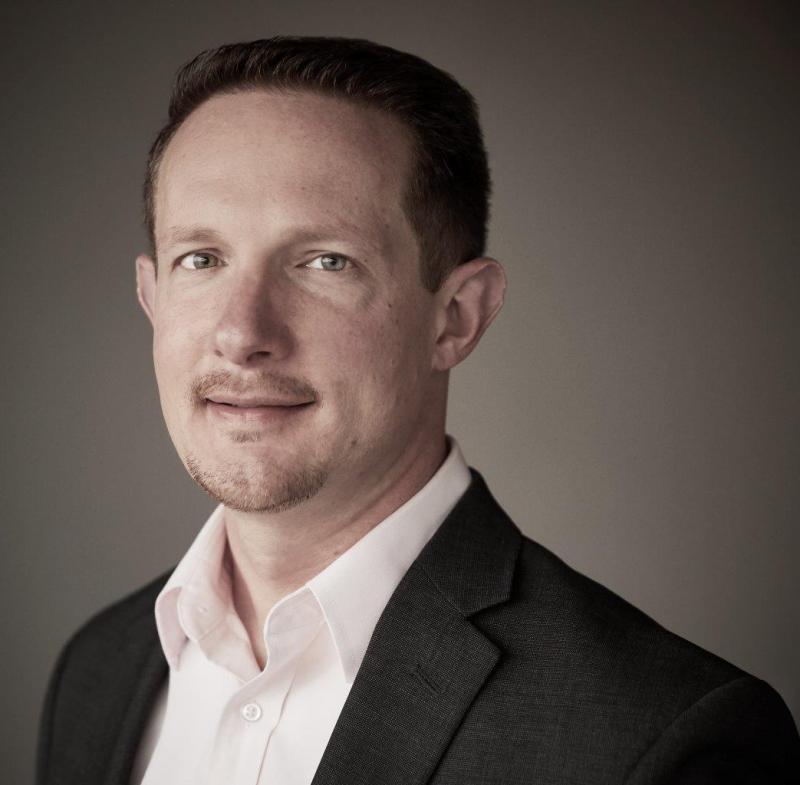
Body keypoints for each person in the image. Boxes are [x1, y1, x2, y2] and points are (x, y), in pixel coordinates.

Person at [37, 36, 799, 785]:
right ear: (152, 296)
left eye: (325, 262)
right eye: (201, 259)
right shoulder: (97, 672)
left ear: (457, 317)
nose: (243, 334)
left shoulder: (661, 736)